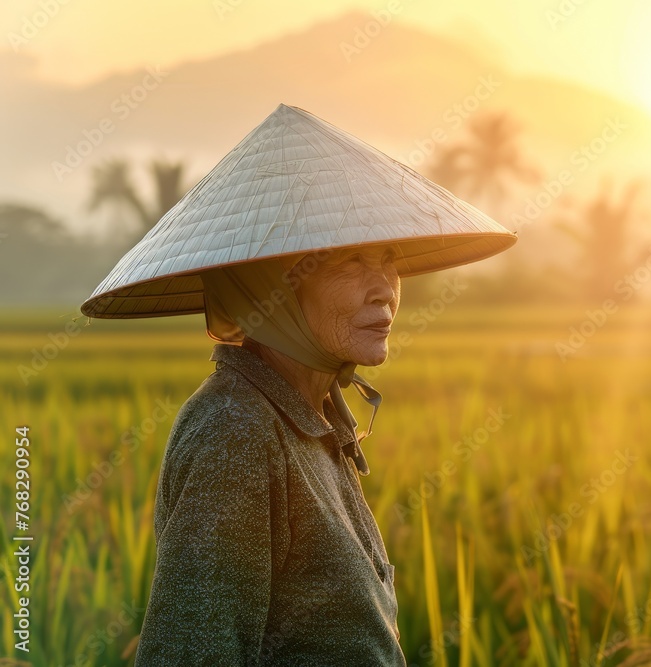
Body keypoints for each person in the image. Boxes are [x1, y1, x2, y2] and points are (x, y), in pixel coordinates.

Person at [81, 103, 516, 665]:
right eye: (350, 261)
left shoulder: (313, 418)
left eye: (388, 260)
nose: (384, 289)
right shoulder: (234, 432)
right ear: (275, 289)